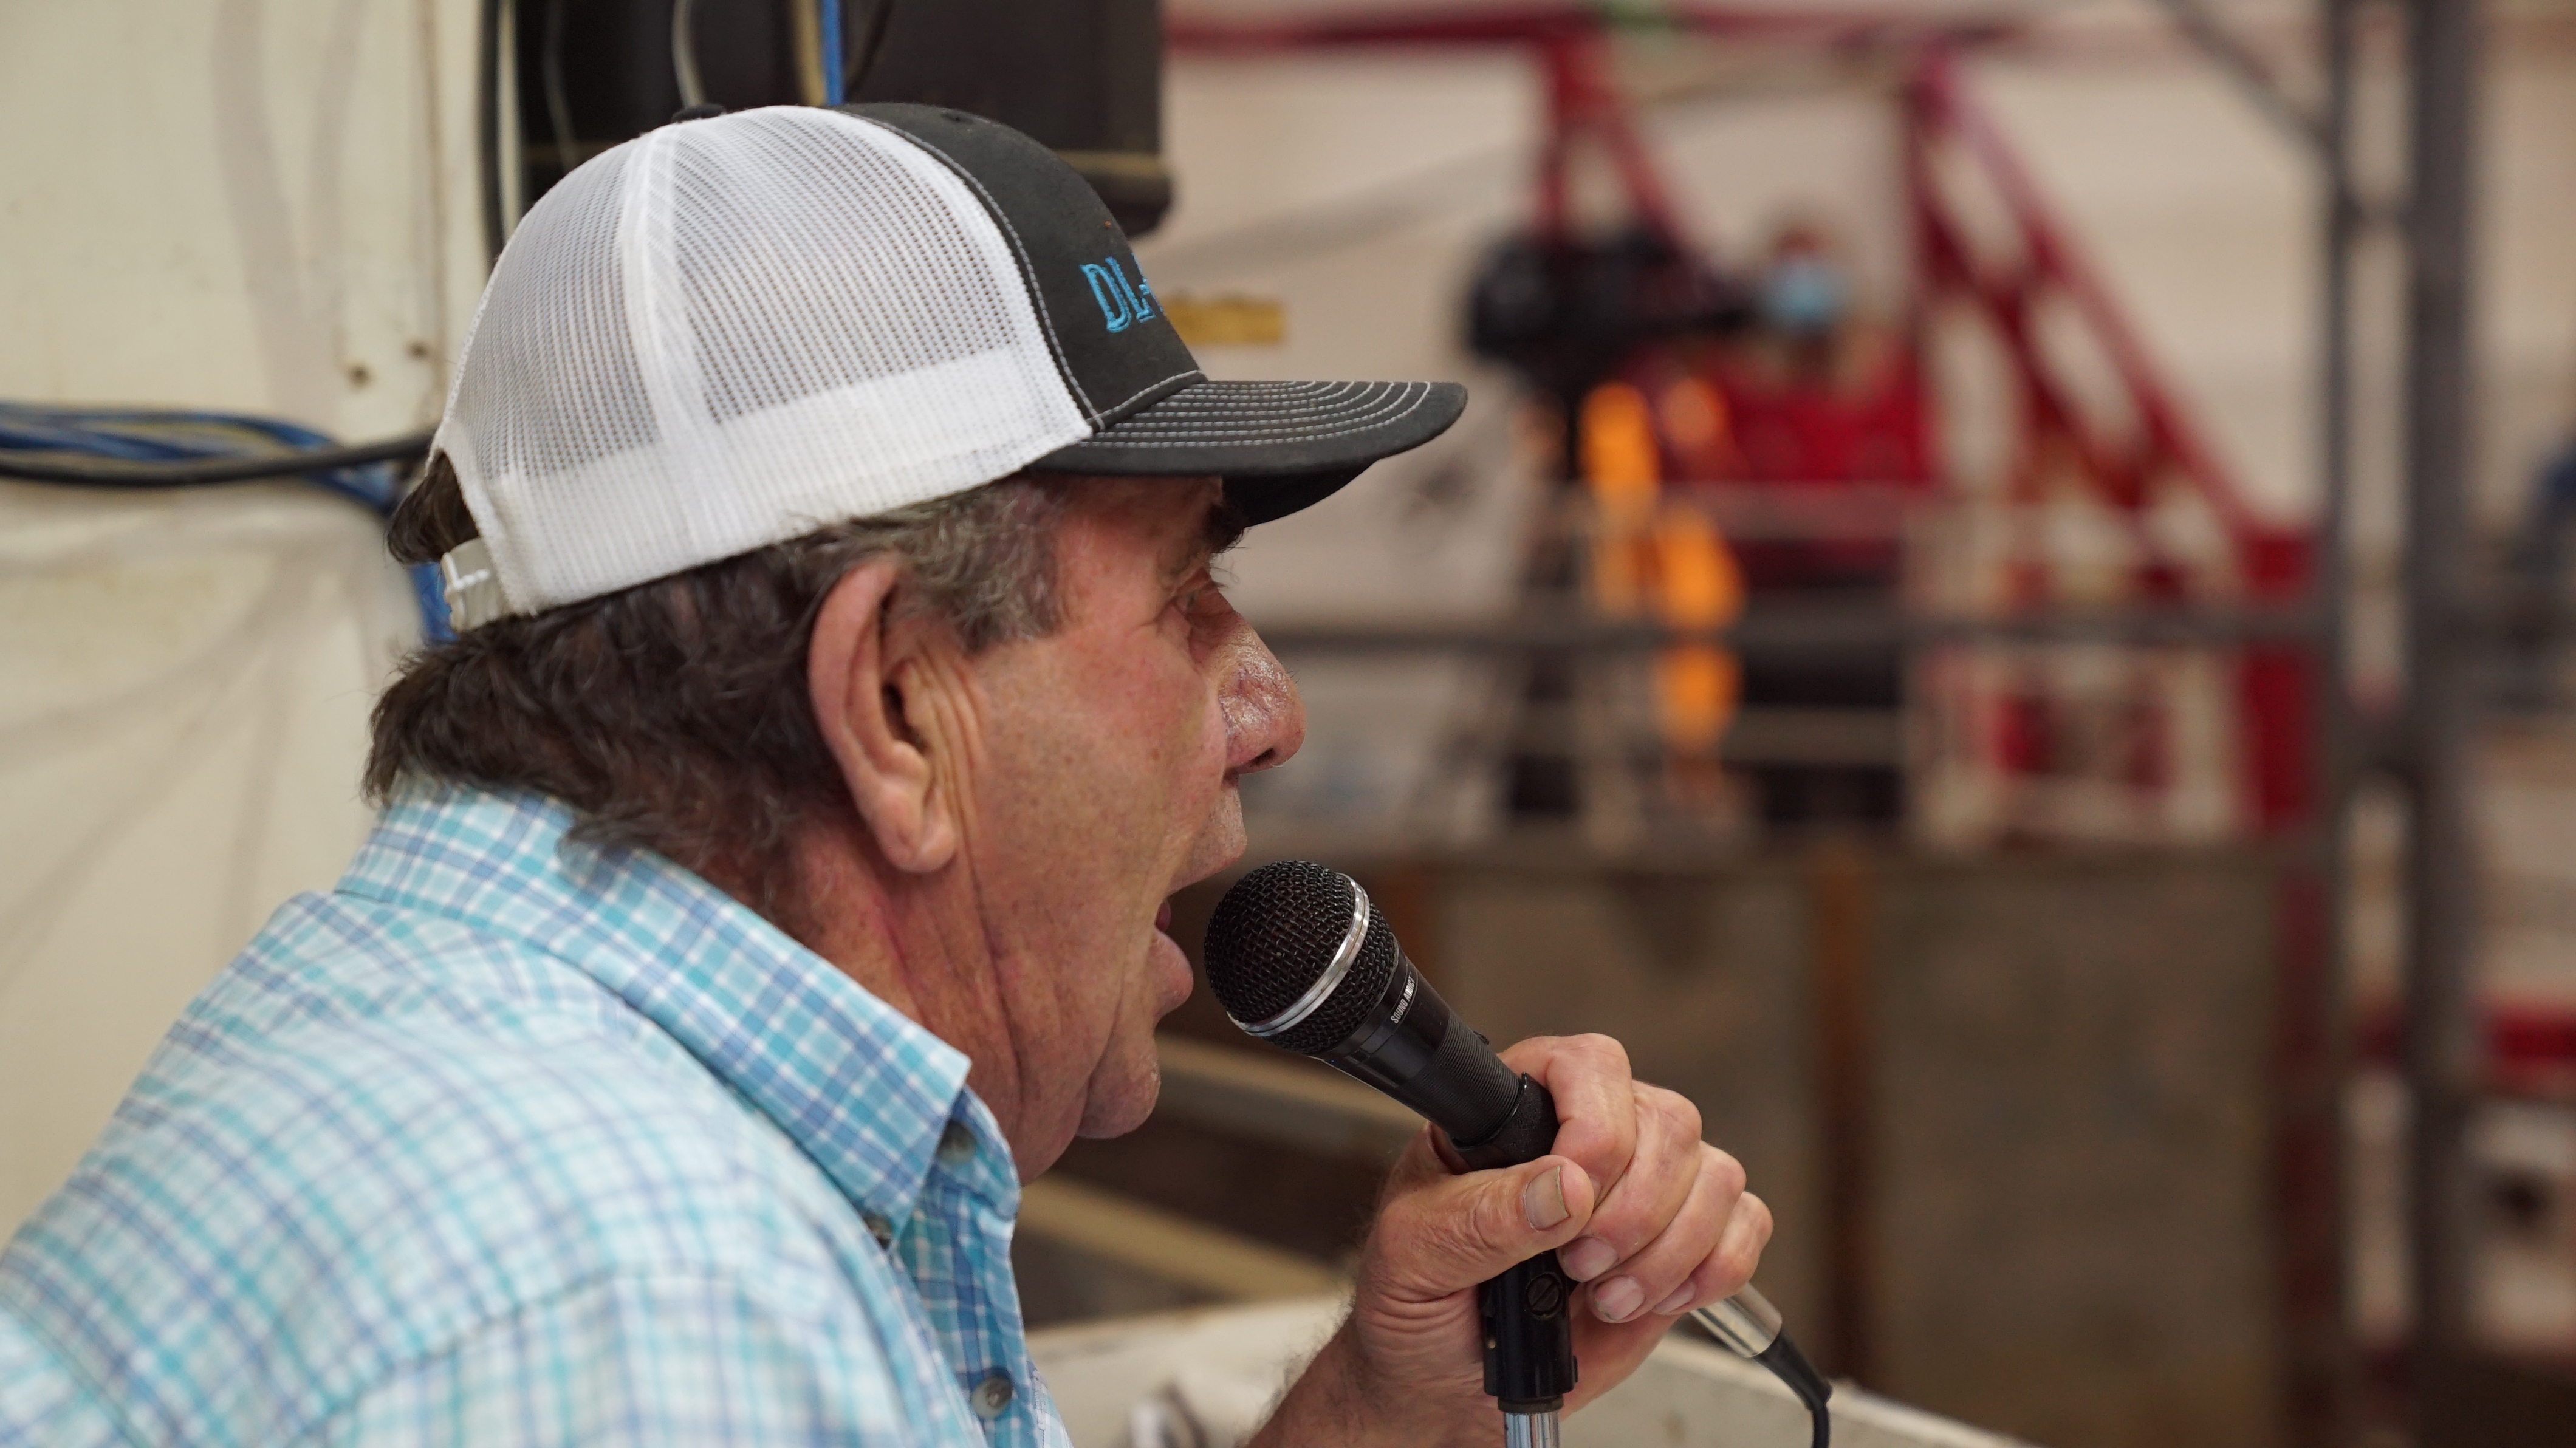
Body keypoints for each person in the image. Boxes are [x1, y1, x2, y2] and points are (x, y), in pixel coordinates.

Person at [0, 104, 1770, 1446]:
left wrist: (1387, 1418)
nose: (1270, 711)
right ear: (898, 705)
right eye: (1188, 599)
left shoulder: (440, 1035)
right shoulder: (655, 1316)